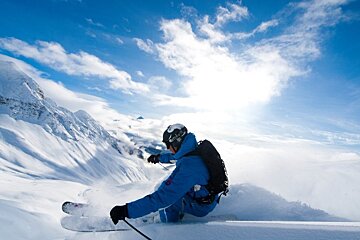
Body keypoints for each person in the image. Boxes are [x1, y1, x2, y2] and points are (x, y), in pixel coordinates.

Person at [110, 123, 219, 224]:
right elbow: (175, 157)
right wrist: (159, 158)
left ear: (176, 142)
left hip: (201, 205)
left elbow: (162, 198)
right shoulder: (192, 150)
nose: (167, 148)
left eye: (168, 144)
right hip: (205, 194)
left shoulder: (189, 168)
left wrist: (126, 211)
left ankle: (167, 230)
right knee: (167, 189)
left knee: (169, 203)